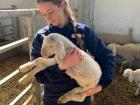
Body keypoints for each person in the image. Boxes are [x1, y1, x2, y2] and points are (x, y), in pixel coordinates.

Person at [31, 0, 115, 105]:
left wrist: (100, 85)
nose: (47, 18)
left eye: (50, 12)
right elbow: (39, 76)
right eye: (43, 14)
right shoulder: (41, 37)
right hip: (53, 100)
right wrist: (61, 67)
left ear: (62, 4)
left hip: (80, 99)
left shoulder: (83, 32)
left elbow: (106, 56)